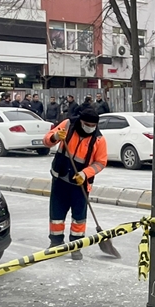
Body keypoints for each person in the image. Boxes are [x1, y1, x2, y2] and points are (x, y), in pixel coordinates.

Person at [44, 106, 107, 259]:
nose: (90, 128)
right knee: (56, 214)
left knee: (79, 216)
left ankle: (76, 246)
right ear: (81, 121)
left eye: (93, 126)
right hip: (60, 179)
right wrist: (56, 137)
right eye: (88, 124)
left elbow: (101, 162)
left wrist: (85, 174)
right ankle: (56, 242)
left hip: (80, 184)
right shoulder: (68, 125)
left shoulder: (99, 139)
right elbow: (47, 141)